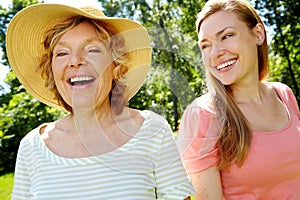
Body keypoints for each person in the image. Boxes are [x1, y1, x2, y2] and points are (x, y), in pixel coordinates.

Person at [6, 3, 194, 199]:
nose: (76, 60)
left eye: (92, 50)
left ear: (116, 66)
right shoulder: (32, 147)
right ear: (52, 71)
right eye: (62, 53)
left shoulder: (152, 130)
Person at [177, 0, 300, 199]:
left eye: (226, 36)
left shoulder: (283, 95)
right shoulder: (204, 115)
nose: (215, 53)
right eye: (205, 46)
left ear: (258, 34)